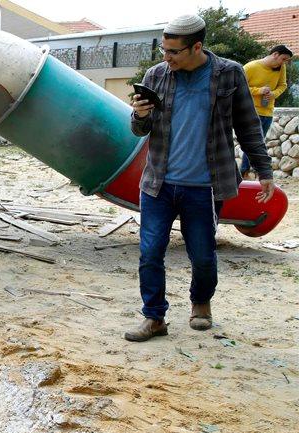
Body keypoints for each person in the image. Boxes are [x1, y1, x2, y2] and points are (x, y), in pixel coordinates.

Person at [126, 14, 274, 342]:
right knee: (150, 252)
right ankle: (154, 318)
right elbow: (138, 129)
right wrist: (140, 115)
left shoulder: (228, 74)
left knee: (203, 254)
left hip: (205, 186)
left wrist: (264, 170)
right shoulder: (156, 75)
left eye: (174, 52)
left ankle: (201, 303)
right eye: (164, 50)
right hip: (158, 184)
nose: (167, 57)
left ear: (197, 47)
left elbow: (248, 125)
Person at [241, 45, 293, 178]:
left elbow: (283, 85)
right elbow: (239, 87)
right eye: (283, 59)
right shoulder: (250, 67)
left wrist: (274, 94)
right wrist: (259, 91)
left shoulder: (281, 68)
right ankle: (245, 172)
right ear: (275, 54)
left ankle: (251, 172)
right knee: (253, 142)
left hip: (268, 112)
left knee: (259, 143)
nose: (284, 62)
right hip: (250, 111)